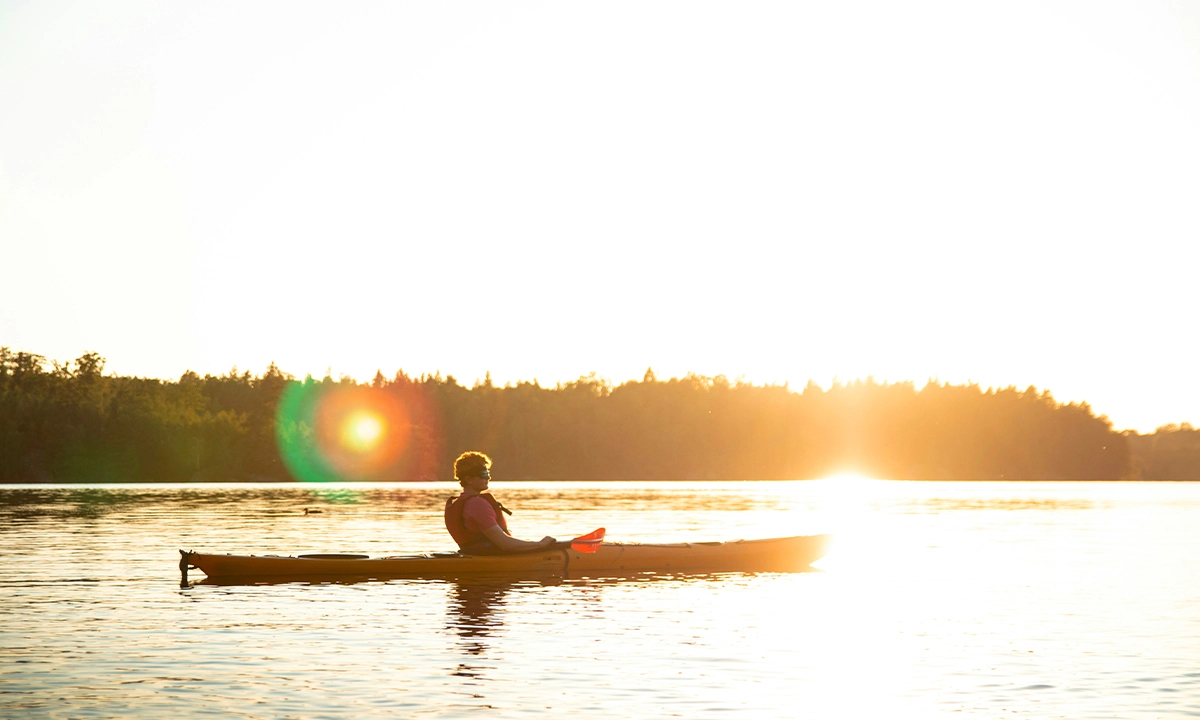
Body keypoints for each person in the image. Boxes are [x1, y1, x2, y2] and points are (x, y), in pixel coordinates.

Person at [444, 451, 556, 554]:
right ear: (469, 479)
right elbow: (506, 544)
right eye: (483, 474)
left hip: (474, 554)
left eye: (488, 473)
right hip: (490, 556)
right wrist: (541, 544)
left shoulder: (462, 502)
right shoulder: (477, 504)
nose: (488, 478)